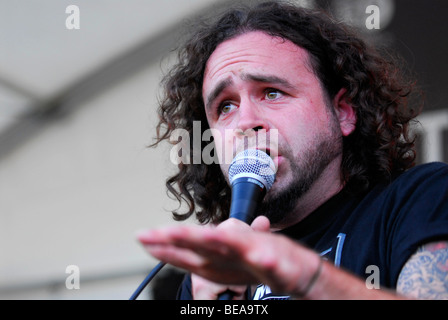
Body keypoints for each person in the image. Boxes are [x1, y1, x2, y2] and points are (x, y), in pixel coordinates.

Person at [138, 1, 448, 300]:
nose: (245, 122)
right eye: (226, 106)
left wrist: (309, 278)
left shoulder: (421, 199)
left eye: (272, 93)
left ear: (343, 112)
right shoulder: (214, 271)